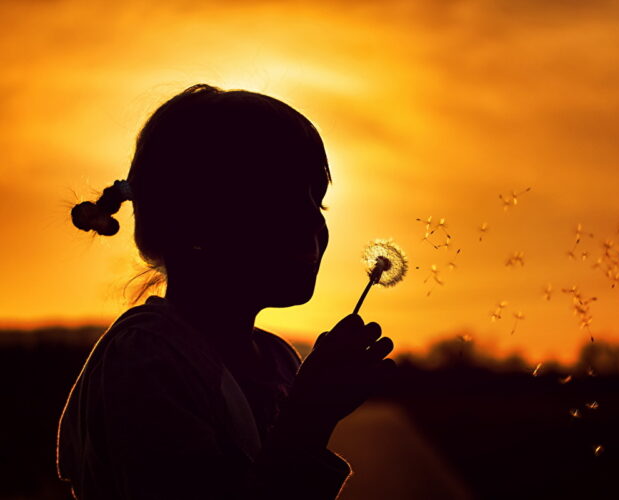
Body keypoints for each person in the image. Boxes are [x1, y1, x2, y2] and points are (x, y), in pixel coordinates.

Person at [56, 83, 398, 499]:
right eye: (281, 197)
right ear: (195, 220)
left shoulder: (278, 361)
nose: (313, 221)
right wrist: (309, 417)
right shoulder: (146, 361)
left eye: (319, 199)